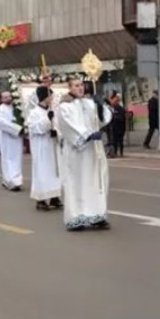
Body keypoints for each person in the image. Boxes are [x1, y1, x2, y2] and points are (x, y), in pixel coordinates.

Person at [57, 78, 112, 231]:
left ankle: (97, 215)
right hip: (77, 152)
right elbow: (67, 125)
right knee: (77, 182)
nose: (80, 88)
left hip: (94, 151)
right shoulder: (64, 106)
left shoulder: (89, 103)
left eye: (82, 85)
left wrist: (101, 106)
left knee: (96, 181)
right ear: (69, 88)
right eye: (76, 86)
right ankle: (77, 217)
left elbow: (102, 121)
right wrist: (86, 135)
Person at [28, 86, 62, 212]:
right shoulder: (34, 113)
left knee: (54, 171)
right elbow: (36, 128)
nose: (52, 98)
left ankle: (54, 197)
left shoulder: (52, 110)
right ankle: (41, 199)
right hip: (41, 147)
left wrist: (56, 132)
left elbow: (58, 126)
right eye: (50, 96)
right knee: (42, 171)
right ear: (45, 97)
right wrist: (48, 120)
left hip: (52, 145)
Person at [0, 91, 24, 191]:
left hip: (17, 138)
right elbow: (3, 123)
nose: (8, 98)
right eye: (5, 97)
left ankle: (17, 180)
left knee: (17, 159)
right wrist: (17, 129)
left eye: (9, 96)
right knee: (8, 159)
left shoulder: (16, 108)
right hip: (6, 138)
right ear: (1, 99)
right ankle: (9, 181)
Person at [108, 91, 126, 158]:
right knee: (114, 140)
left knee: (120, 140)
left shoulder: (120, 108)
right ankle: (114, 152)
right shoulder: (112, 108)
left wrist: (114, 117)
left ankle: (121, 152)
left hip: (120, 127)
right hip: (114, 127)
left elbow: (121, 117)